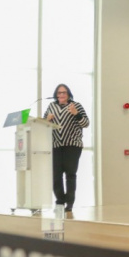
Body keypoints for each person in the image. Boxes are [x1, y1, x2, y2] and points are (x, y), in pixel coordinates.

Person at [45, 84, 90, 212]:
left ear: (69, 94)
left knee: (70, 174)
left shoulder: (76, 106)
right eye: (59, 93)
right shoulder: (51, 106)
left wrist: (76, 114)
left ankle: (69, 202)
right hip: (55, 145)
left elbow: (86, 123)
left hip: (72, 145)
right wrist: (47, 119)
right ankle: (60, 201)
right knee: (56, 175)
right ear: (56, 94)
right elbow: (44, 124)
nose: (62, 95)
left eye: (64, 93)